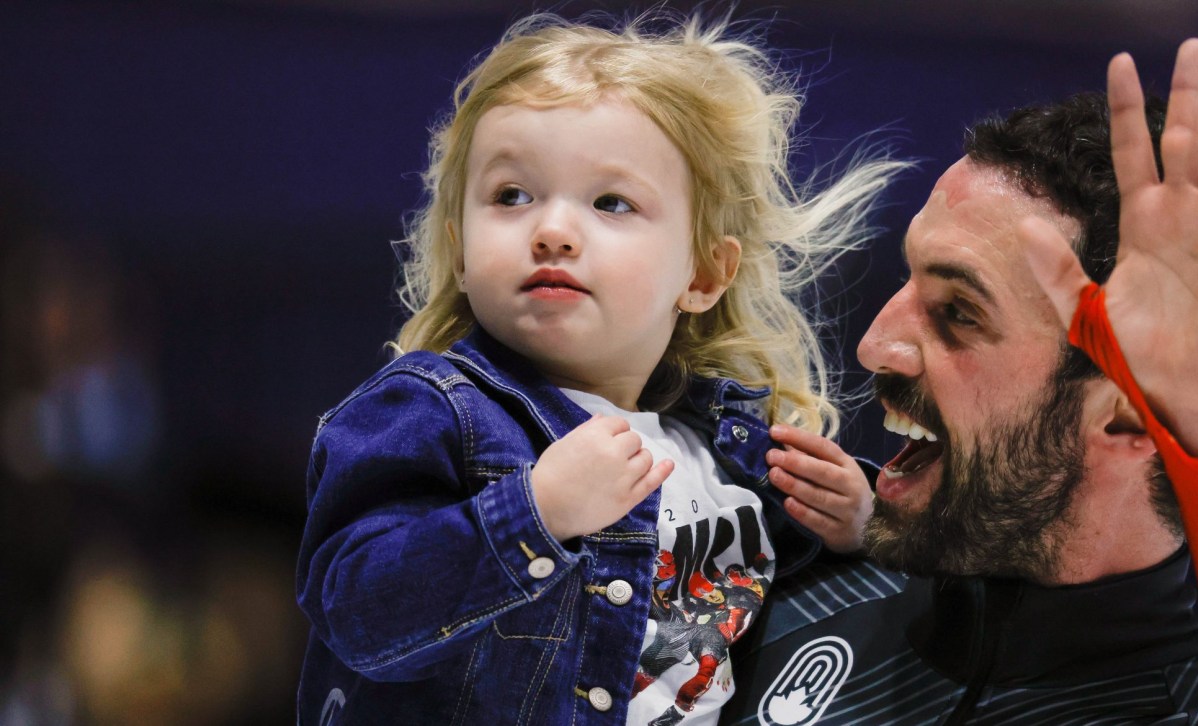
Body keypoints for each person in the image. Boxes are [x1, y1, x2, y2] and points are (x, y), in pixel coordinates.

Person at [294, 12, 902, 725]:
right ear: (459, 251)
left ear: (704, 273)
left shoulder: (734, 455)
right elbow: (359, 615)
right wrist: (535, 515)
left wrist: (864, 528)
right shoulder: (429, 413)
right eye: (511, 196)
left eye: (611, 202)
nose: (551, 230)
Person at [723, 40, 1198, 725]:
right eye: (908, 279)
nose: (876, 346)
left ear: (1129, 417)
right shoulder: (757, 593)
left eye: (958, 312)